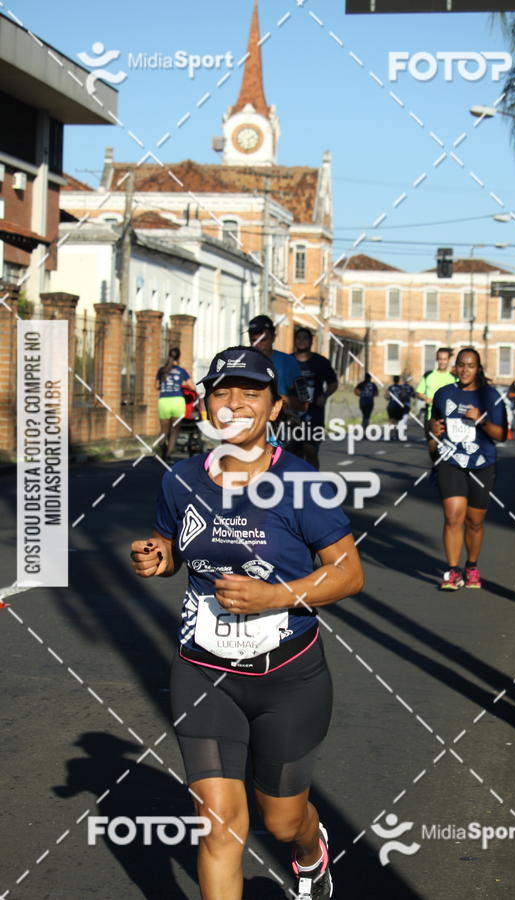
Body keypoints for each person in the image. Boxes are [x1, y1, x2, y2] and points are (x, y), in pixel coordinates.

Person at [131, 345, 364, 900]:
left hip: (288, 678)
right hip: (202, 672)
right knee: (218, 824)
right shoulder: (181, 479)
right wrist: (155, 557)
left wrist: (272, 596)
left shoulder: (302, 482)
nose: (234, 403)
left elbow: (348, 574)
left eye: (250, 392)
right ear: (206, 405)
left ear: (274, 407)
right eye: (221, 392)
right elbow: (170, 547)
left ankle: (310, 853)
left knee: (283, 820)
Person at [429, 347, 507, 591]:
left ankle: (471, 566)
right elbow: (434, 423)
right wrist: (433, 429)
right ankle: (453, 571)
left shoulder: (490, 396)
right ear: (455, 367)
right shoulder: (443, 394)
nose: (465, 370)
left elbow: (502, 434)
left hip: (482, 463)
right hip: (451, 461)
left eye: (470, 366)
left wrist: (480, 420)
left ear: (478, 368)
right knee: (453, 516)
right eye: (461, 365)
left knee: (474, 521)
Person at [293, 327, 339, 468]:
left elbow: (333, 383)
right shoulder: (287, 361)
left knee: (310, 449)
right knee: (296, 452)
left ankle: (313, 480)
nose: (301, 341)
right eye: (298, 338)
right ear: (294, 341)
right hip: (292, 413)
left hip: (314, 413)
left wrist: (325, 395)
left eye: (305, 338)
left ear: (311, 342)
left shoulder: (321, 362)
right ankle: (298, 482)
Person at [247, 314, 303, 410]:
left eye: (263, 340)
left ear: (273, 337)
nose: (257, 345)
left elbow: (304, 403)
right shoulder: (240, 361)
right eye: (253, 340)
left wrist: (270, 398)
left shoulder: (289, 362)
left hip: (280, 422)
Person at [415, 348, 456, 463]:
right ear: (437, 360)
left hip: (449, 418)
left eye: (444, 359)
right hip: (431, 417)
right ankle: (436, 468)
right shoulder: (428, 375)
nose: (442, 362)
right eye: (440, 359)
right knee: (433, 447)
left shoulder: (453, 377)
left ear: (448, 360)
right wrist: (426, 398)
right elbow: (418, 392)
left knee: (448, 448)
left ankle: (443, 472)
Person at [156, 347, 195, 463]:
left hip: (164, 401)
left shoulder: (161, 370)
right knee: (174, 430)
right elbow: (192, 387)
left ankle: (162, 449)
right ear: (179, 357)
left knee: (164, 430)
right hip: (177, 401)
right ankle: (168, 455)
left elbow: (156, 386)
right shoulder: (181, 371)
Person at [384, 375, 414, 441]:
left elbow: (386, 396)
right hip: (398, 406)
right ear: (399, 380)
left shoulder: (390, 387)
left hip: (391, 405)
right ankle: (396, 434)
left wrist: (390, 398)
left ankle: (391, 434)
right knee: (397, 421)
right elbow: (403, 396)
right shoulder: (401, 388)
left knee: (391, 420)